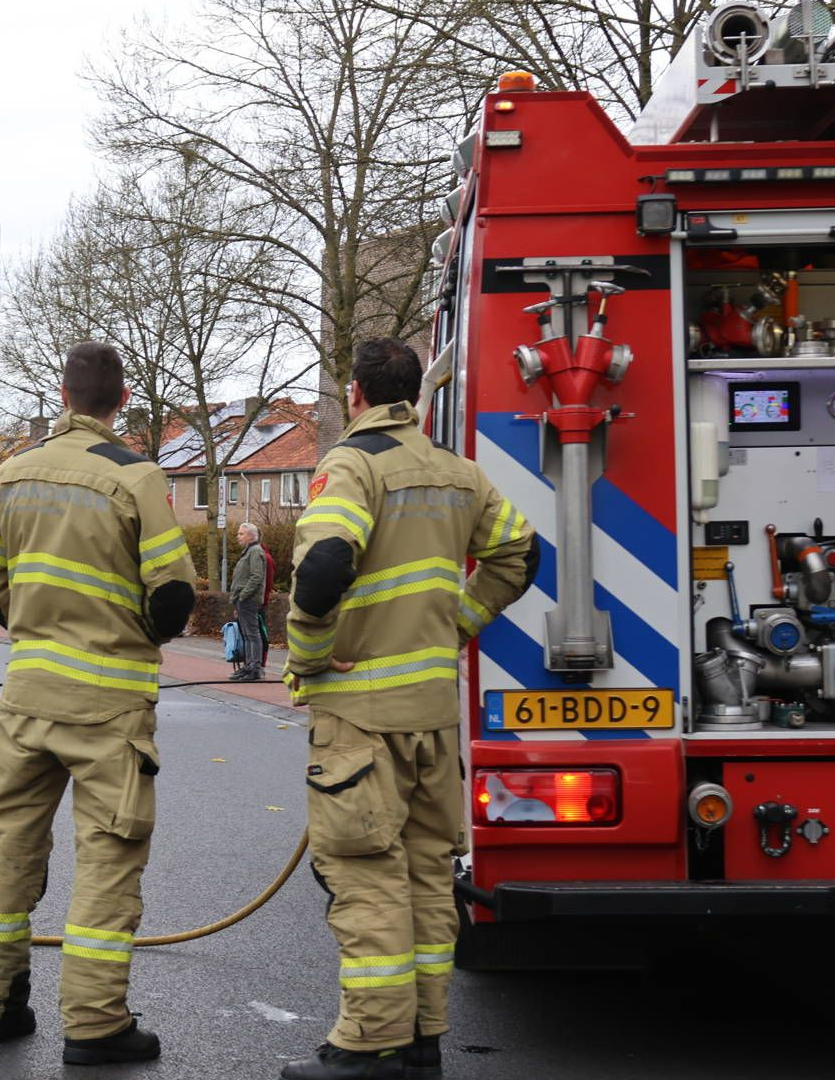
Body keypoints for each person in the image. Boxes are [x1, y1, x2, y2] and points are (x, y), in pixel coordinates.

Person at [280, 337, 538, 1080]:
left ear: (357, 394)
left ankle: (370, 1043)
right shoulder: (459, 473)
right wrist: (457, 624)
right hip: (432, 714)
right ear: (413, 395)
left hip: (361, 718)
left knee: (365, 876)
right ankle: (423, 1038)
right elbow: (521, 554)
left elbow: (323, 565)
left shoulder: (352, 466)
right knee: (427, 876)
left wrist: (309, 656)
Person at [0, 341, 197, 1066]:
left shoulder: (7, 476)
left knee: (7, 847)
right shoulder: (136, 477)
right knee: (107, 861)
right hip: (110, 707)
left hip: (26, 699)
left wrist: (37, 626)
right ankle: (95, 1026)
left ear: (62, 397)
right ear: (121, 401)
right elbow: (173, 597)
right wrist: (131, 636)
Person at [228, 522, 268, 681]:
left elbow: (256, 577)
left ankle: (254, 668)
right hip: (243, 600)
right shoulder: (249, 551)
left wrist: (243, 595)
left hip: (248, 600)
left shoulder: (255, 551)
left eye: (241, 534)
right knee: (247, 634)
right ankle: (249, 665)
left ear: (251, 536)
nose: (238, 536)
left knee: (252, 634)